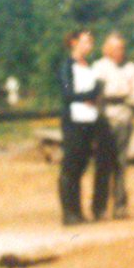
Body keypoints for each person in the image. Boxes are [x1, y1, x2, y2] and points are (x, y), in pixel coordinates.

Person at [92, 32, 134, 220]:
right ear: (105, 49)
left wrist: (121, 93)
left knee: (121, 165)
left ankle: (120, 207)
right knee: (103, 165)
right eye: (114, 48)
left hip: (124, 120)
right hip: (105, 121)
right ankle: (99, 208)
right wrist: (123, 91)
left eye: (121, 48)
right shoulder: (98, 67)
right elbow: (99, 94)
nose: (118, 51)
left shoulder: (130, 67)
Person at [57, 29, 108, 225]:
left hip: (90, 121)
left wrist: (93, 95)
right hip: (74, 122)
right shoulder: (67, 66)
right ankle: (68, 213)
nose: (89, 46)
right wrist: (90, 95)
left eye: (91, 42)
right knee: (70, 167)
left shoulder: (89, 66)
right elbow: (68, 94)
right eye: (86, 41)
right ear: (73, 42)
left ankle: (78, 212)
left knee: (81, 167)